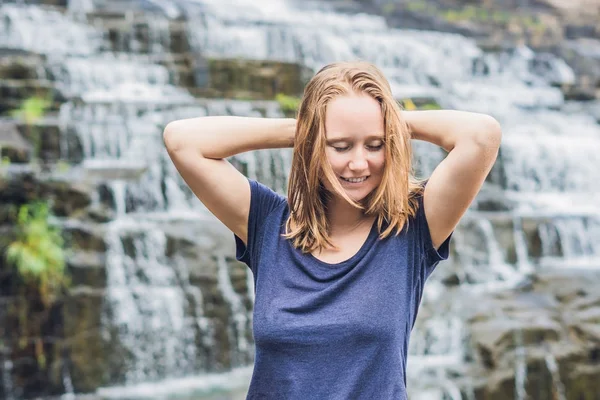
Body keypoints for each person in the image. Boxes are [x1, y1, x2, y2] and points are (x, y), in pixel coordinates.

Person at [163, 61, 502, 399]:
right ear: (312, 144)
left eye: (375, 145)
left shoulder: (414, 225)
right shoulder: (267, 224)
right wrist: (309, 128)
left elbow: (481, 135)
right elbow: (182, 140)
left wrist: (386, 123)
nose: (358, 163)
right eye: (340, 146)